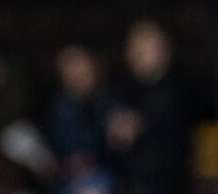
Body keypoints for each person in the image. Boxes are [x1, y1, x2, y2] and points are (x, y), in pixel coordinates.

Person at [105, 19, 188, 194]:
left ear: (165, 51)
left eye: (145, 49)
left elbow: (175, 146)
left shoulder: (181, 89)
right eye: (134, 48)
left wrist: (141, 125)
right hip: (127, 180)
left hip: (166, 181)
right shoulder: (123, 91)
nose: (138, 55)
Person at [45, 45, 115, 194]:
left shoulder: (111, 100)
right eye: (67, 66)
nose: (74, 73)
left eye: (78, 63)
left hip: (107, 177)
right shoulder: (58, 107)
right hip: (67, 180)